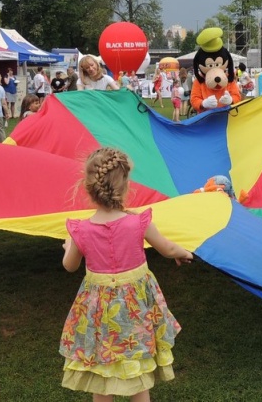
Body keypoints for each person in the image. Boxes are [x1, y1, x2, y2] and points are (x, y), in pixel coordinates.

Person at [60, 147, 192, 400]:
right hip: (135, 311)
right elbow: (167, 248)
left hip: (99, 314)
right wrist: (182, 253)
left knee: (102, 367)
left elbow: (70, 266)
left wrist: (69, 246)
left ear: (89, 186)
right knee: (137, 363)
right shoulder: (138, 222)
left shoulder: (80, 231)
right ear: (125, 186)